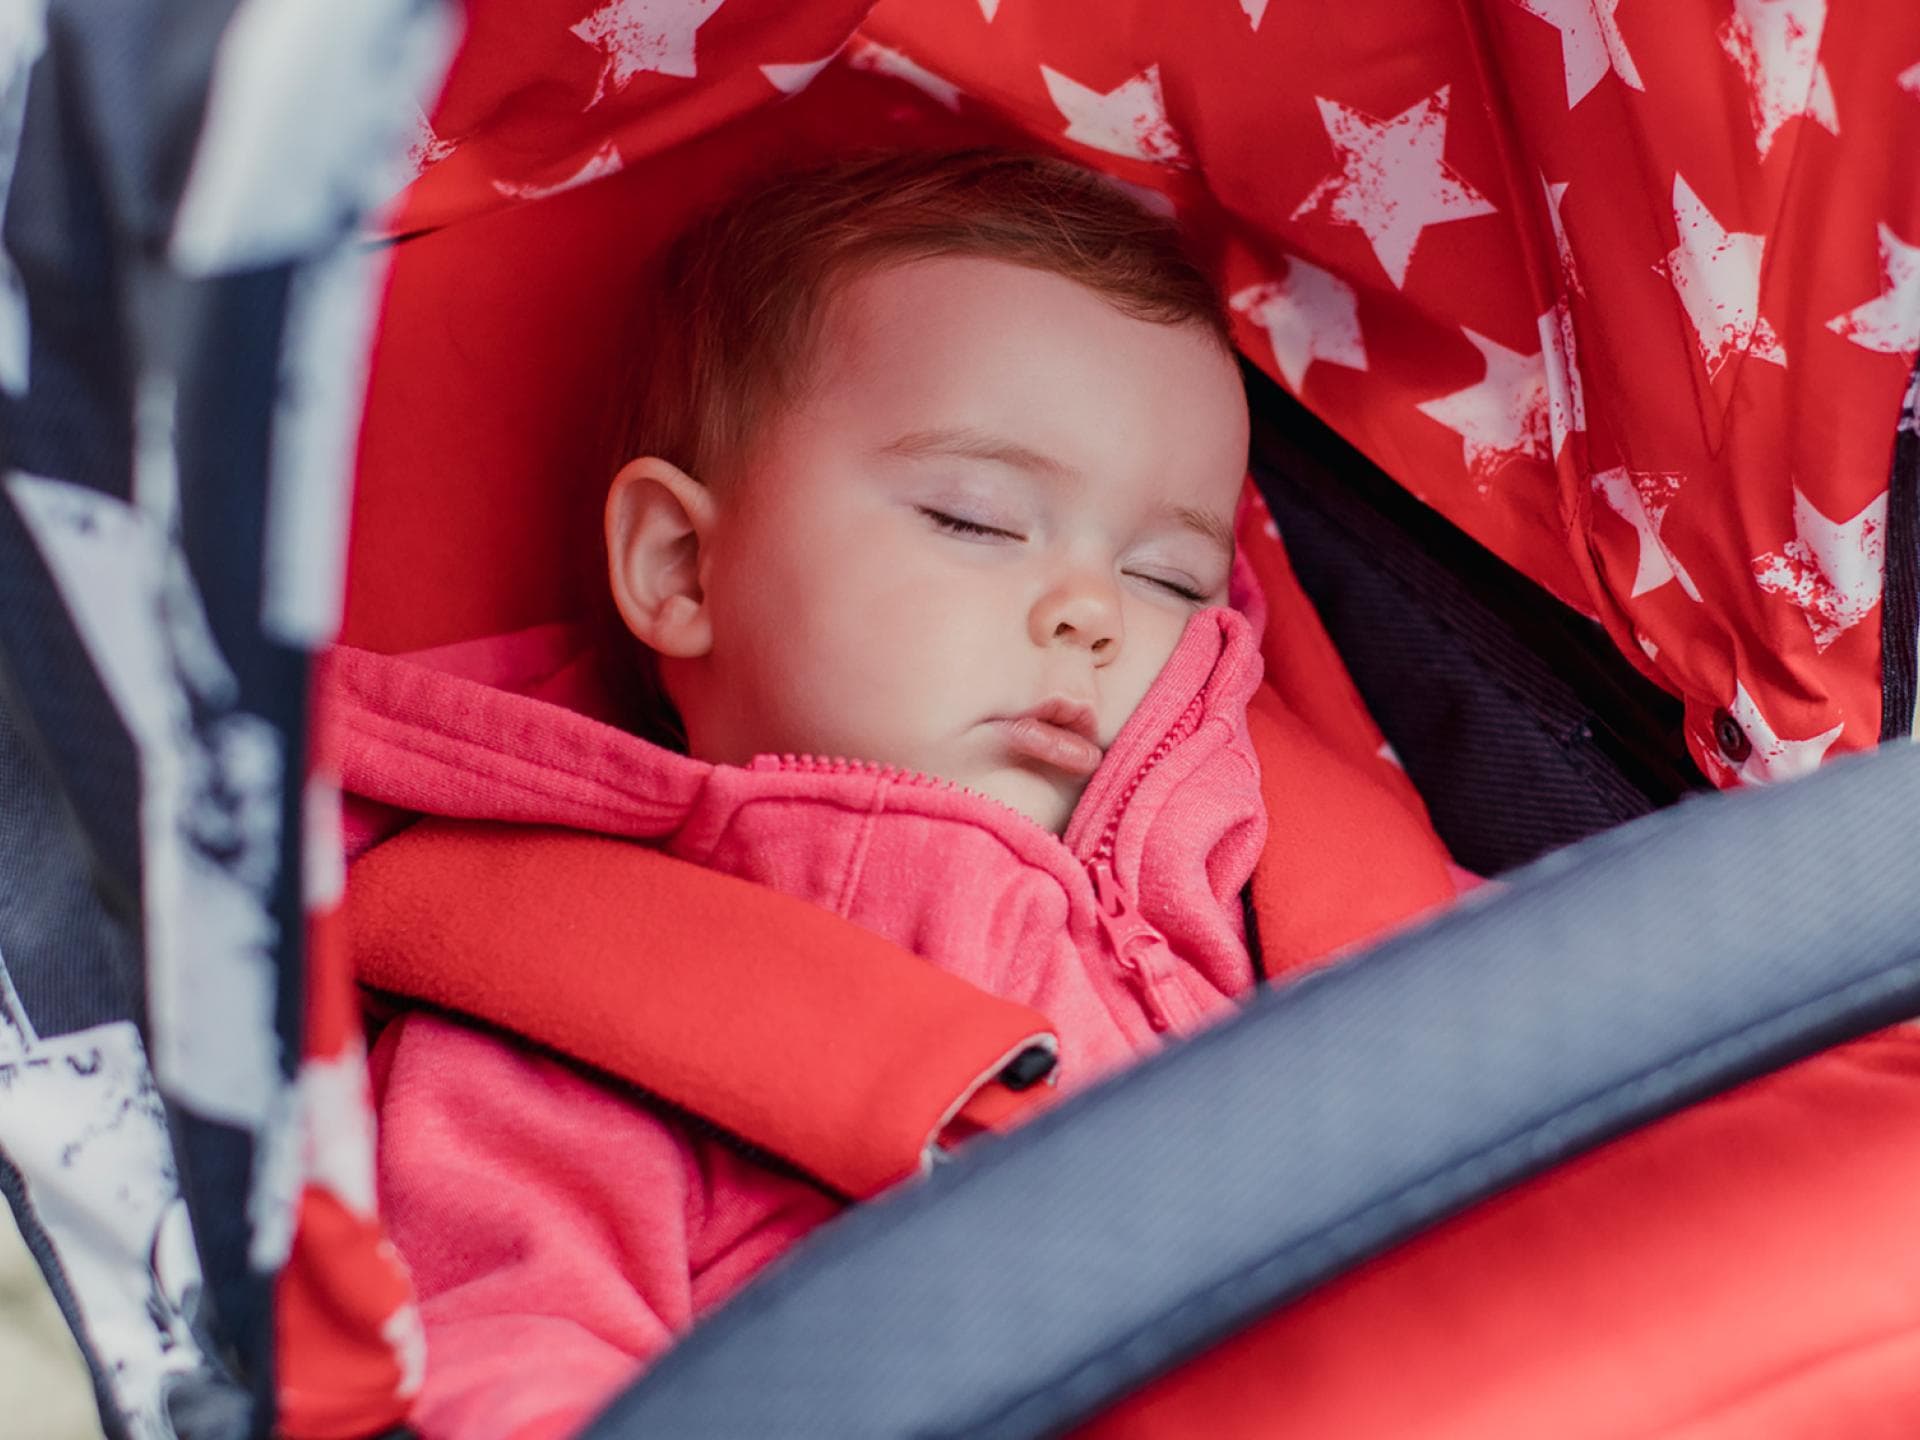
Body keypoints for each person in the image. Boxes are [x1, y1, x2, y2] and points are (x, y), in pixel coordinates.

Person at [351, 149, 1460, 1440]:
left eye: (1168, 578)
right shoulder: (558, 1008)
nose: (1093, 613)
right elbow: (507, 1357)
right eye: (976, 520)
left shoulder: (1253, 860)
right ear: (684, 566)